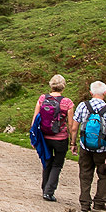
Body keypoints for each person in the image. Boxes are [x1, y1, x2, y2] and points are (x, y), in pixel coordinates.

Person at [73, 80, 106, 212]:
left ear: (91, 92)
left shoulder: (82, 106)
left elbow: (74, 127)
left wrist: (73, 143)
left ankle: (84, 203)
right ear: (105, 93)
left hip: (85, 146)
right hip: (102, 149)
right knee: (104, 175)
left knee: (85, 174)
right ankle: (99, 203)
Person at [33, 74, 76, 202]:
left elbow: (36, 118)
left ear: (51, 85)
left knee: (46, 162)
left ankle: (44, 188)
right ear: (63, 87)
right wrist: (73, 141)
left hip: (44, 137)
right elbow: (70, 124)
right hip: (60, 138)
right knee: (57, 164)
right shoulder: (67, 102)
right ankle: (49, 191)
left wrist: (33, 137)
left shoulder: (42, 98)